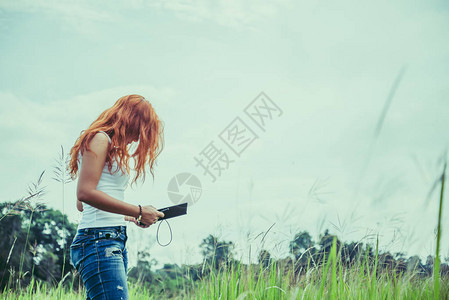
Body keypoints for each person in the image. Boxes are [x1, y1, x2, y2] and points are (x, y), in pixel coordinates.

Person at [68, 94, 165, 300]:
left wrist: (131, 216)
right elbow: (84, 194)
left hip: (110, 239)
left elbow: (82, 205)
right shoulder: (99, 138)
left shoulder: (109, 145)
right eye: (140, 130)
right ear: (130, 120)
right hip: (98, 240)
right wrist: (138, 210)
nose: (139, 138)